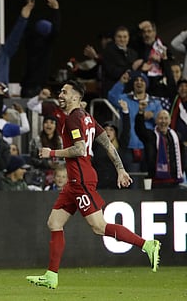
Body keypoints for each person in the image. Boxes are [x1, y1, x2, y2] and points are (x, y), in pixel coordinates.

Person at [25, 80, 161, 289]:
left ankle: (147, 245)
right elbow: (106, 142)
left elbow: (79, 149)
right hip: (75, 180)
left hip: (80, 179)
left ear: (76, 97)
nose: (60, 95)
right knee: (55, 223)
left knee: (99, 227)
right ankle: (51, 276)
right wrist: (121, 168)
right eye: (60, 91)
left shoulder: (72, 119)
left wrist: (51, 153)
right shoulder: (87, 117)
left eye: (65, 92)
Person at [107, 70, 163, 172]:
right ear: (133, 84)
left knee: (150, 182)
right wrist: (121, 82)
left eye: (142, 80)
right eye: (136, 80)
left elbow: (163, 121)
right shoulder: (125, 100)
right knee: (133, 183)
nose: (139, 82)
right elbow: (112, 97)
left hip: (149, 148)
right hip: (130, 148)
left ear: (146, 84)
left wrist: (153, 116)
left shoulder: (155, 103)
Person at [20, 0, 60, 98]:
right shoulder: (47, 44)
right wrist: (55, 10)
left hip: (26, 83)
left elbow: (26, 26)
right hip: (38, 84)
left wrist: (28, 9)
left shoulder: (29, 40)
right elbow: (56, 30)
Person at [135, 105, 184, 188]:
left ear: (170, 121)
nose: (163, 121)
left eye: (166, 118)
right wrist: (140, 113)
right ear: (156, 121)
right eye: (161, 118)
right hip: (156, 181)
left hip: (174, 180)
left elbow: (183, 155)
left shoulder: (177, 136)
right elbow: (139, 129)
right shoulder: (151, 136)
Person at [92, 100, 130, 189]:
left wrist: (125, 112)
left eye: (111, 130)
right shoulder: (96, 146)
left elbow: (126, 131)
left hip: (116, 185)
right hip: (100, 185)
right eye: (105, 129)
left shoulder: (121, 146)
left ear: (115, 134)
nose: (108, 132)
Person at [28, 115, 64, 186]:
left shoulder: (60, 141)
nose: (48, 125)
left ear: (55, 125)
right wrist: (47, 164)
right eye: (46, 122)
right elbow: (32, 159)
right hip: (40, 173)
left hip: (57, 173)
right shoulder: (36, 140)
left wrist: (58, 163)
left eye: (51, 123)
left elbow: (63, 157)